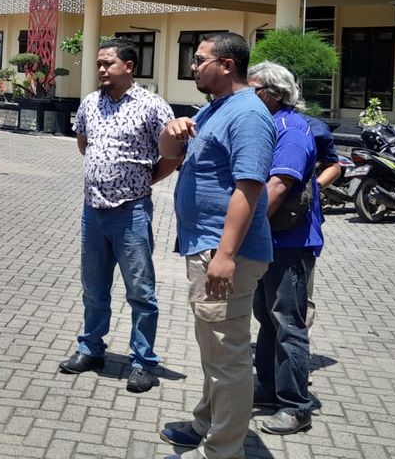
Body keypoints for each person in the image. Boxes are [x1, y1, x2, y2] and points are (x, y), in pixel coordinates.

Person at [156, 32, 276, 459]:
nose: (192, 65)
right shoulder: (214, 110)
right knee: (215, 348)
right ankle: (205, 422)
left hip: (226, 254)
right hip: (206, 246)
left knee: (227, 357)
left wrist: (225, 255)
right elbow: (171, 153)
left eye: (200, 59)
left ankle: (224, 450)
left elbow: (249, 188)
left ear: (227, 65)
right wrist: (171, 132)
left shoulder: (248, 115)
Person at [57, 38, 176, 394]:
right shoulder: (90, 103)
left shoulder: (152, 106)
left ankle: (143, 362)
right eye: (99, 64)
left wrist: (145, 179)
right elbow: (84, 142)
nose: (102, 70)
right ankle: (91, 348)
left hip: (131, 213)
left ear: (129, 67)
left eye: (109, 63)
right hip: (92, 213)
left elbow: (174, 153)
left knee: (140, 291)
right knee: (93, 288)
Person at [247, 61, 321, 435]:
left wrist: (247, 228)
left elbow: (278, 186)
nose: (248, 96)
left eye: (254, 90)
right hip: (271, 238)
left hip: (289, 242)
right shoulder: (271, 124)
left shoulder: (291, 131)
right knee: (266, 316)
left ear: (274, 95)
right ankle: (268, 386)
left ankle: (296, 406)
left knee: (287, 322)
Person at [302, 113, 340, 331]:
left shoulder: (314, 128)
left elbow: (334, 166)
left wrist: (312, 187)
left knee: (299, 293)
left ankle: (297, 344)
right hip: (262, 220)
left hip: (301, 223)